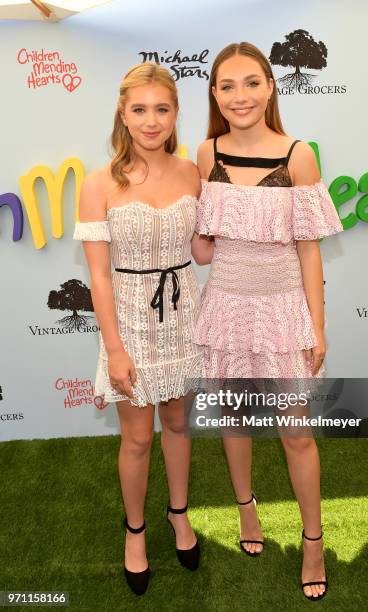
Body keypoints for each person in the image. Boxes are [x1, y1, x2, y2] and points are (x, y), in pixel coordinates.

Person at [194, 42, 343, 601]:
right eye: (228, 86)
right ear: (214, 93)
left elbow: (309, 251)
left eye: (251, 82)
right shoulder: (205, 154)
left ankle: (312, 540)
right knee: (235, 423)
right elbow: (205, 249)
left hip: (283, 312)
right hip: (226, 307)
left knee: (297, 434)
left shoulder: (298, 155)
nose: (240, 96)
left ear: (271, 86)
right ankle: (246, 512)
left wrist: (317, 325)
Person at [73, 62, 205, 596]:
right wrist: (114, 349)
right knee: (135, 438)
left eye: (162, 109)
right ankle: (135, 531)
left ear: (175, 114)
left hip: (183, 315)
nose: (151, 121)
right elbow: (98, 277)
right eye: (140, 109)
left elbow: (201, 249)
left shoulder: (192, 172)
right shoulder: (99, 181)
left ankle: (179, 513)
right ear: (123, 115)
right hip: (126, 318)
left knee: (177, 423)